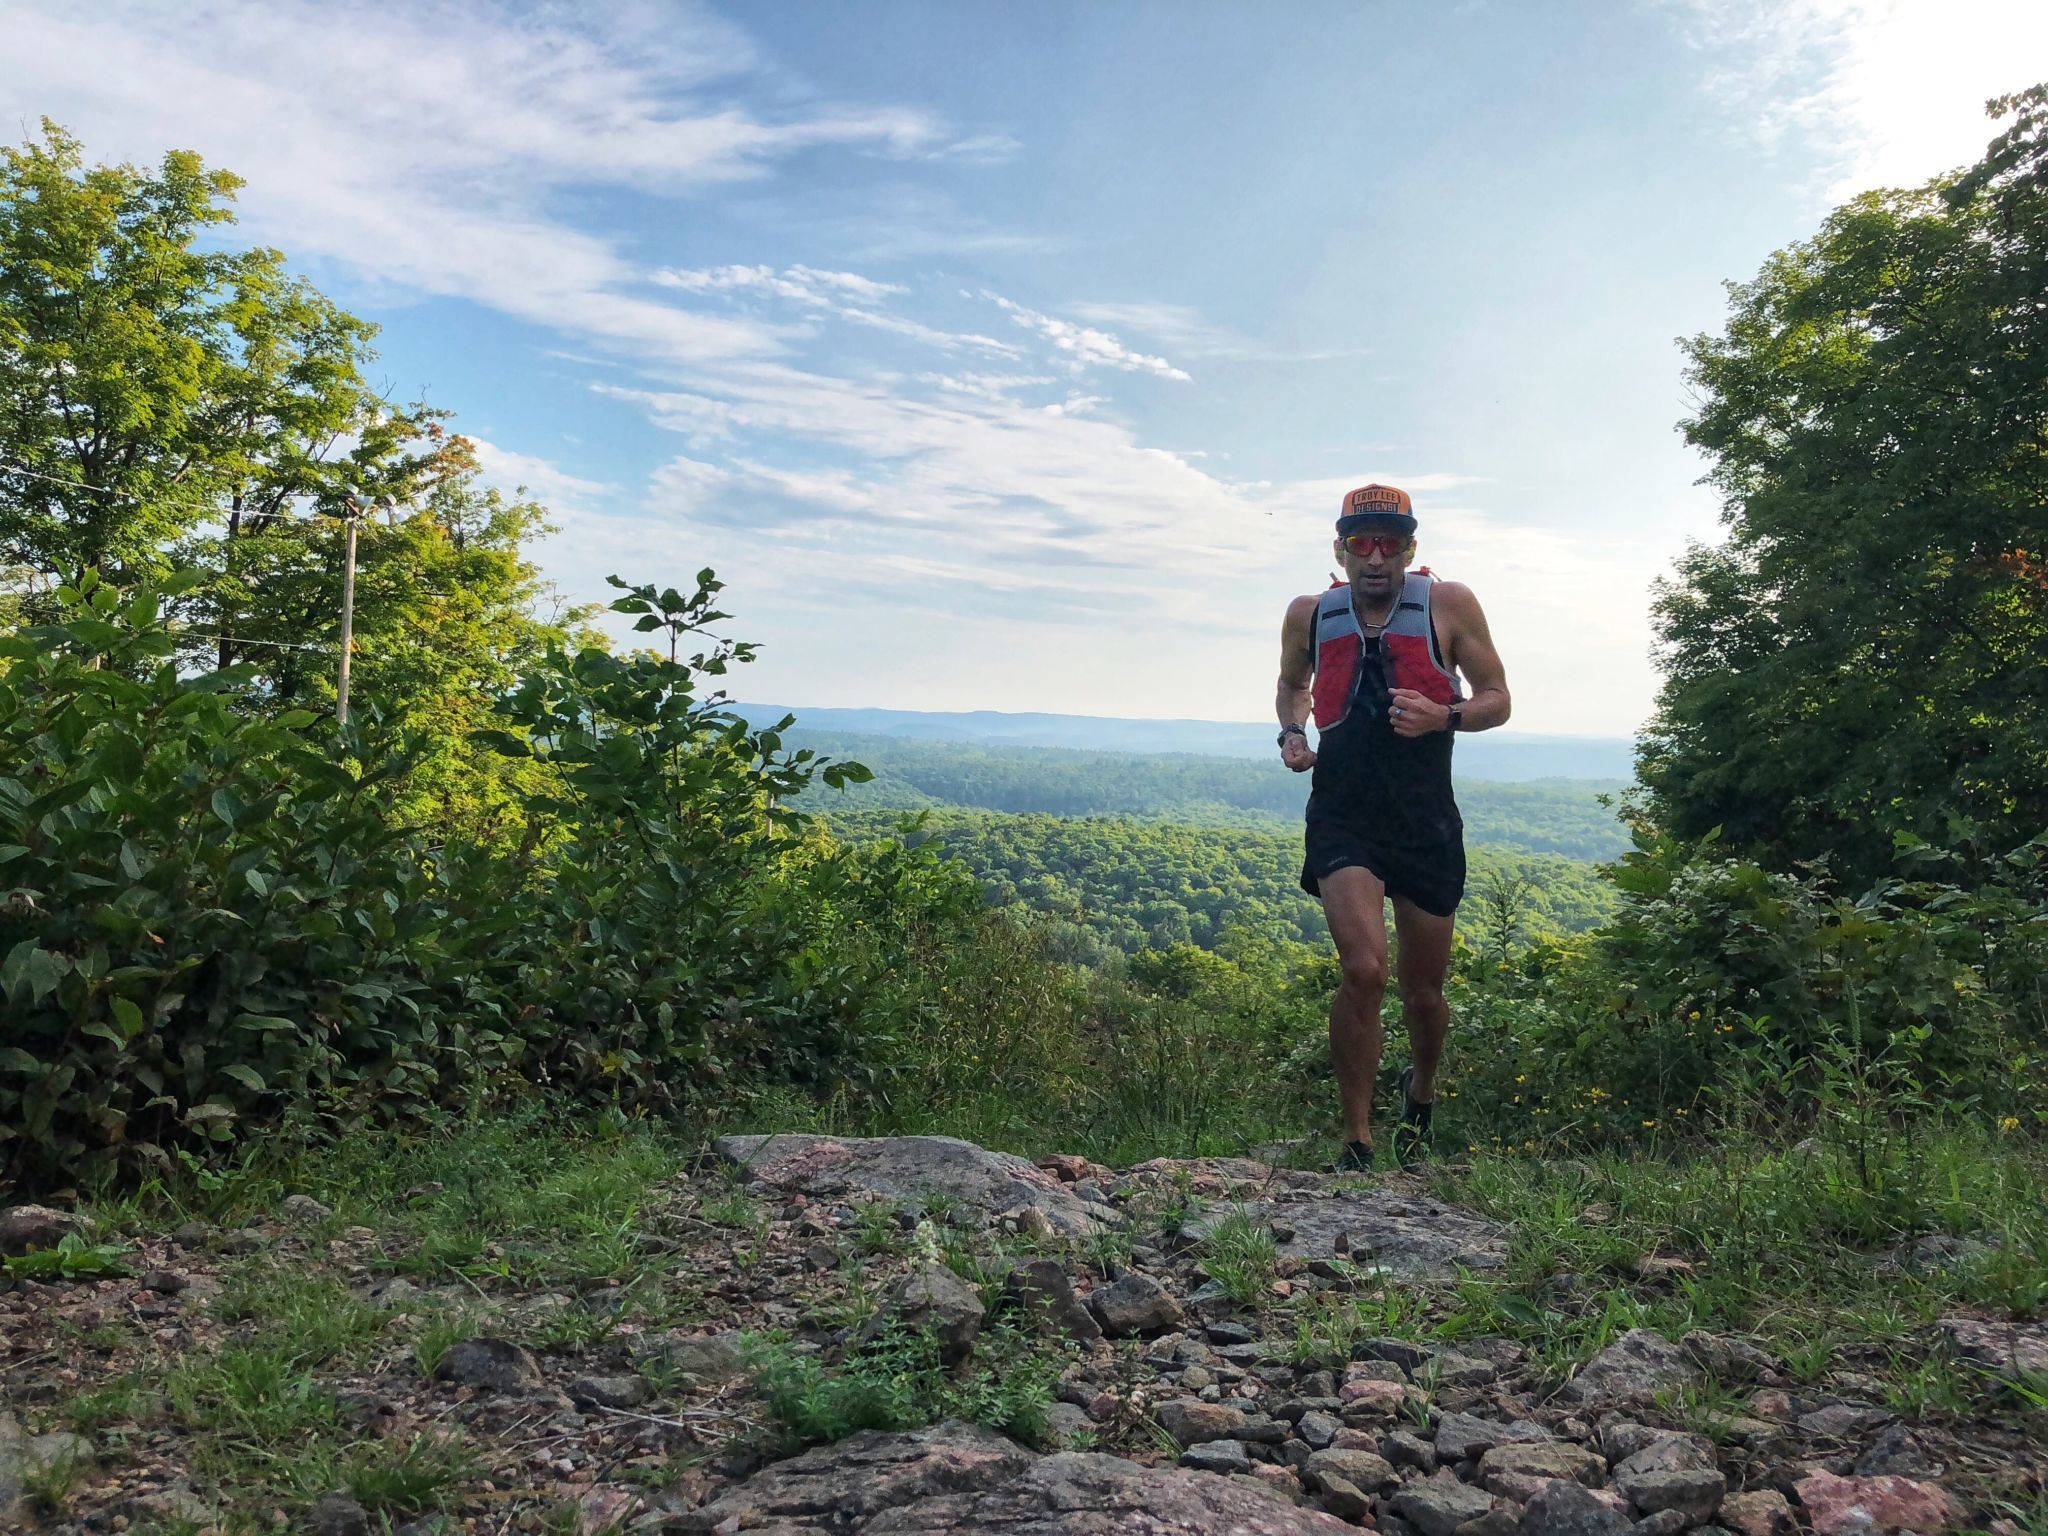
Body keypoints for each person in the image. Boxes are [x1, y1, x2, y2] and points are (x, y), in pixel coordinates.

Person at [1275, 484, 1510, 1170]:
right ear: (1340, 549)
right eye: (1360, 542)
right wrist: (1291, 733)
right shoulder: (1311, 614)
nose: (1375, 556)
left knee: (1424, 995)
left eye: (1391, 541)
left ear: (1412, 547)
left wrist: (1447, 716)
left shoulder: (1449, 605)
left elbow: (1498, 697)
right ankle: (1357, 1139)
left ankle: (1423, 1091)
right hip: (1344, 814)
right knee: (1364, 969)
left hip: (1425, 822)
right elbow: (1291, 684)